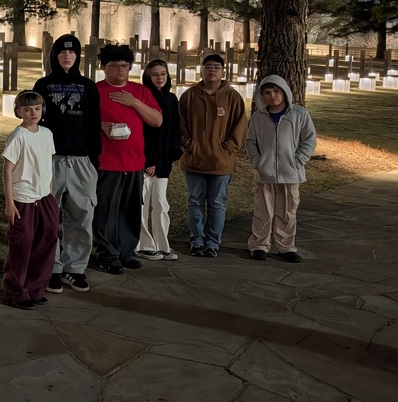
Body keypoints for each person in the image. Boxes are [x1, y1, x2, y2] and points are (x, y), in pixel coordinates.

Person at [33, 35, 102, 294]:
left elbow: (94, 123)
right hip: (52, 159)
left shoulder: (87, 86)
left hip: (82, 160)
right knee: (49, 217)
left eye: (72, 53)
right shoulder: (43, 84)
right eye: (62, 52)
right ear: (55, 55)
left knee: (81, 216)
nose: (67, 56)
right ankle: (52, 267)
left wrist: (94, 159)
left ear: (77, 56)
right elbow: (35, 122)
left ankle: (75, 268)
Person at [93, 44, 162, 274]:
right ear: (104, 67)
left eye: (124, 66)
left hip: (134, 162)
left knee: (130, 211)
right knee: (106, 211)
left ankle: (126, 252)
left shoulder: (139, 91)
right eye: (114, 66)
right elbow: (83, 122)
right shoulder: (96, 91)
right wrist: (100, 125)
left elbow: (157, 120)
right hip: (107, 162)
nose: (120, 70)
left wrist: (133, 102)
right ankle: (107, 254)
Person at [178, 53, 248, 257]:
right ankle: (197, 240)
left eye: (216, 67)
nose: (212, 70)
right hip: (194, 160)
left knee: (217, 203)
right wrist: (189, 145)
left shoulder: (232, 97)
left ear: (223, 72)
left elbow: (240, 127)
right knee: (195, 201)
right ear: (202, 70)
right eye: (208, 66)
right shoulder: (190, 95)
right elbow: (180, 124)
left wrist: (227, 149)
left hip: (221, 162)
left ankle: (212, 242)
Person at [245, 75, 317, 263]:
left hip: (290, 172)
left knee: (287, 212)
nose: (272, 95)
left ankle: (286, 247)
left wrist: (299, 160)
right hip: (265, 173)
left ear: (284, 92)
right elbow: (250, 141)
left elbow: (309, 140)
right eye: (268, 92)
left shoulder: (299, 114)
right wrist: (257, 161)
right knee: (262, 211)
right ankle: (259, 245)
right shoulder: (258, 117)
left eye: (276, 91)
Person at [2, 91, 60, 310]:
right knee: (22, 246)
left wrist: (49, 194)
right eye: (27, 110)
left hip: (44, 197)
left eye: (36, 108)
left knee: (46, 242)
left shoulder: (47, 133)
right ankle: (16, 291)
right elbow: (7, 171)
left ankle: (35, 288)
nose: (33, 113)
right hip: (23, 199)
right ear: (19, 112)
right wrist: (10, 202)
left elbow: (47, 164)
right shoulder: (18, 136)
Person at [136, 60, 183, 261]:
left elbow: (173, 131)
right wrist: (150, 160)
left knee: (161, 205)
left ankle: (162, 245)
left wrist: (170, 156)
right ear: (148, 76)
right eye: (155, 74)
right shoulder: (143, 97)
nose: (159, 78)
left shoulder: (171, 99)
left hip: (163, 162)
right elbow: (146, 132)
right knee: (142, 204)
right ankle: (143, 245)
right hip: (145, 161)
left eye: (163, 73)